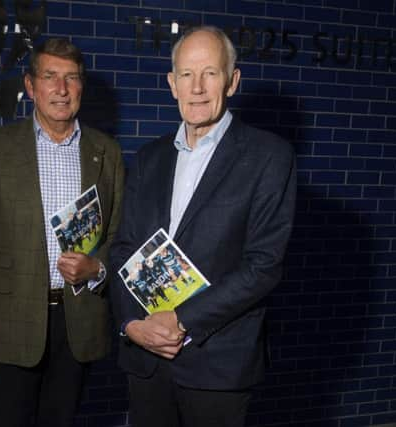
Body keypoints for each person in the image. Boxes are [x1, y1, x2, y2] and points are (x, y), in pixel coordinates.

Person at [110, 26, 296, 427]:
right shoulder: (148, 158)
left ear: (232, 81)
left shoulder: (269, 156)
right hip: (146, 359)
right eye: (186, 74)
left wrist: (180, 321)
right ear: (171, 84)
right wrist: (131, 323)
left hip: (217, 363)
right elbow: (124, 248)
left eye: (210, 73)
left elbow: (263, 265)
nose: (197, 87)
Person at [0, 37, 124, 427]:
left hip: (76, 324)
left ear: (82, 86)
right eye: (50, 76)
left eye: (72, 78)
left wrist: (97, 268)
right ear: (31, 86)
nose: (61, 89)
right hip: (8, 327)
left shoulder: (107, 151)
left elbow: (119, 236)